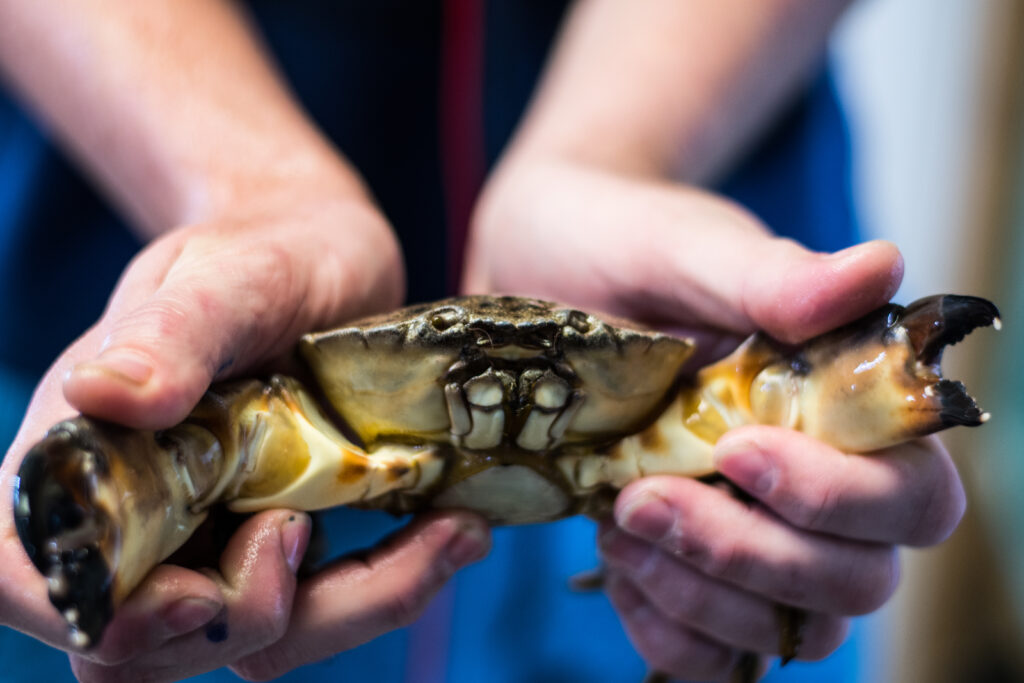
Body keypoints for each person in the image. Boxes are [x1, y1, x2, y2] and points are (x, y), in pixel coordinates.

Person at [0, 2, 966, 681]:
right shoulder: (268, 423)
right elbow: (188, 447)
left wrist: (613, 150)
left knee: (768, 549)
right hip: (110, 229)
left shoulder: (707, 409)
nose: (505, 387)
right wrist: (248, 189)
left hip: (686, 233)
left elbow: (782, 399)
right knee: (125, 526)